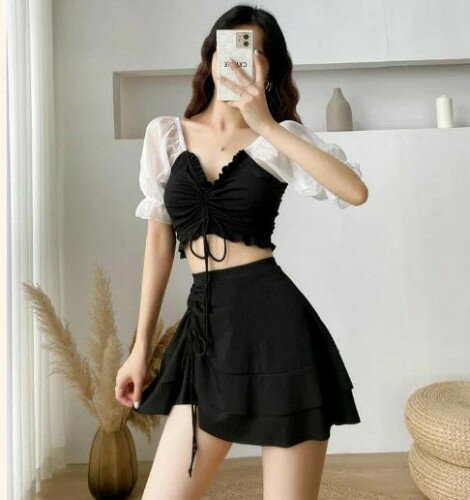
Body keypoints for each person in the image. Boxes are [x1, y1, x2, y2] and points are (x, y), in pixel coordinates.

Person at [115, 5, 368, 499]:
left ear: (269, 68)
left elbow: (354, 192)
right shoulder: (166, 135)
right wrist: (140, 348)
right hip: (205, 333)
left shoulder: (278, 139)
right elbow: (159, 240)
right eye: (227, 48)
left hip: (279, 334)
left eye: (252, 52)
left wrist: (267, 124)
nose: (235, 61)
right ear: (210, 58)